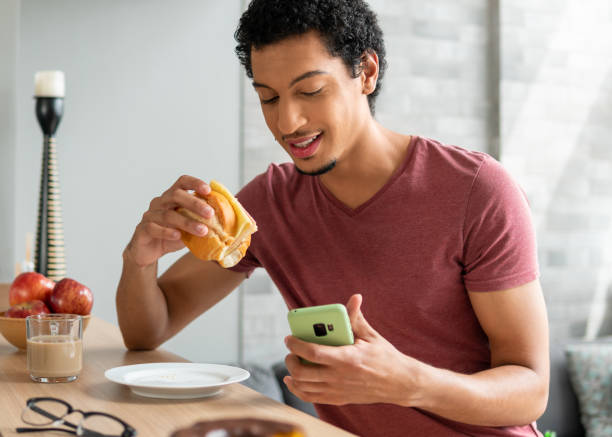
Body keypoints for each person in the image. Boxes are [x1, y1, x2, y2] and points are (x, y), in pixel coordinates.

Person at [116, 1, 550, 436]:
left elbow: (531, 389)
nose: (288, 122)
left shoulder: (478, 190)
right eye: (269, 97)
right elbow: (149, 331)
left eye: (309, 91)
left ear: (366, 73)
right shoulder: (271, 202)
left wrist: (408, 383)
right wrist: (140, 259)